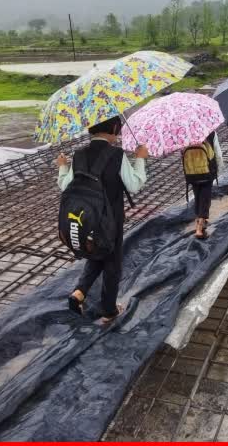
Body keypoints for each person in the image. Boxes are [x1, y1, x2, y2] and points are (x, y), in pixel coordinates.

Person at [56, 116, 148, 324]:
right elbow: (134, 184)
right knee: (112, 262)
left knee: (96, 253)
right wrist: (140, 158)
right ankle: (108, 309)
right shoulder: (116, 155)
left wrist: (62, 166)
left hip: (86, 218)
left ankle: (79, 293)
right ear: (115, 128)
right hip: (111, 220)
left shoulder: (78, 155)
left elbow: (65, 186)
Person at [183, 131, 224, 239]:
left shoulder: (184, 133)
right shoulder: (210, 132)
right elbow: (218, 154)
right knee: (205, 198)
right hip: (207, 172)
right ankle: (199, 228)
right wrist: (219, 170)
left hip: (192, 173)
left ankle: (200, 218)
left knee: (198, 196)